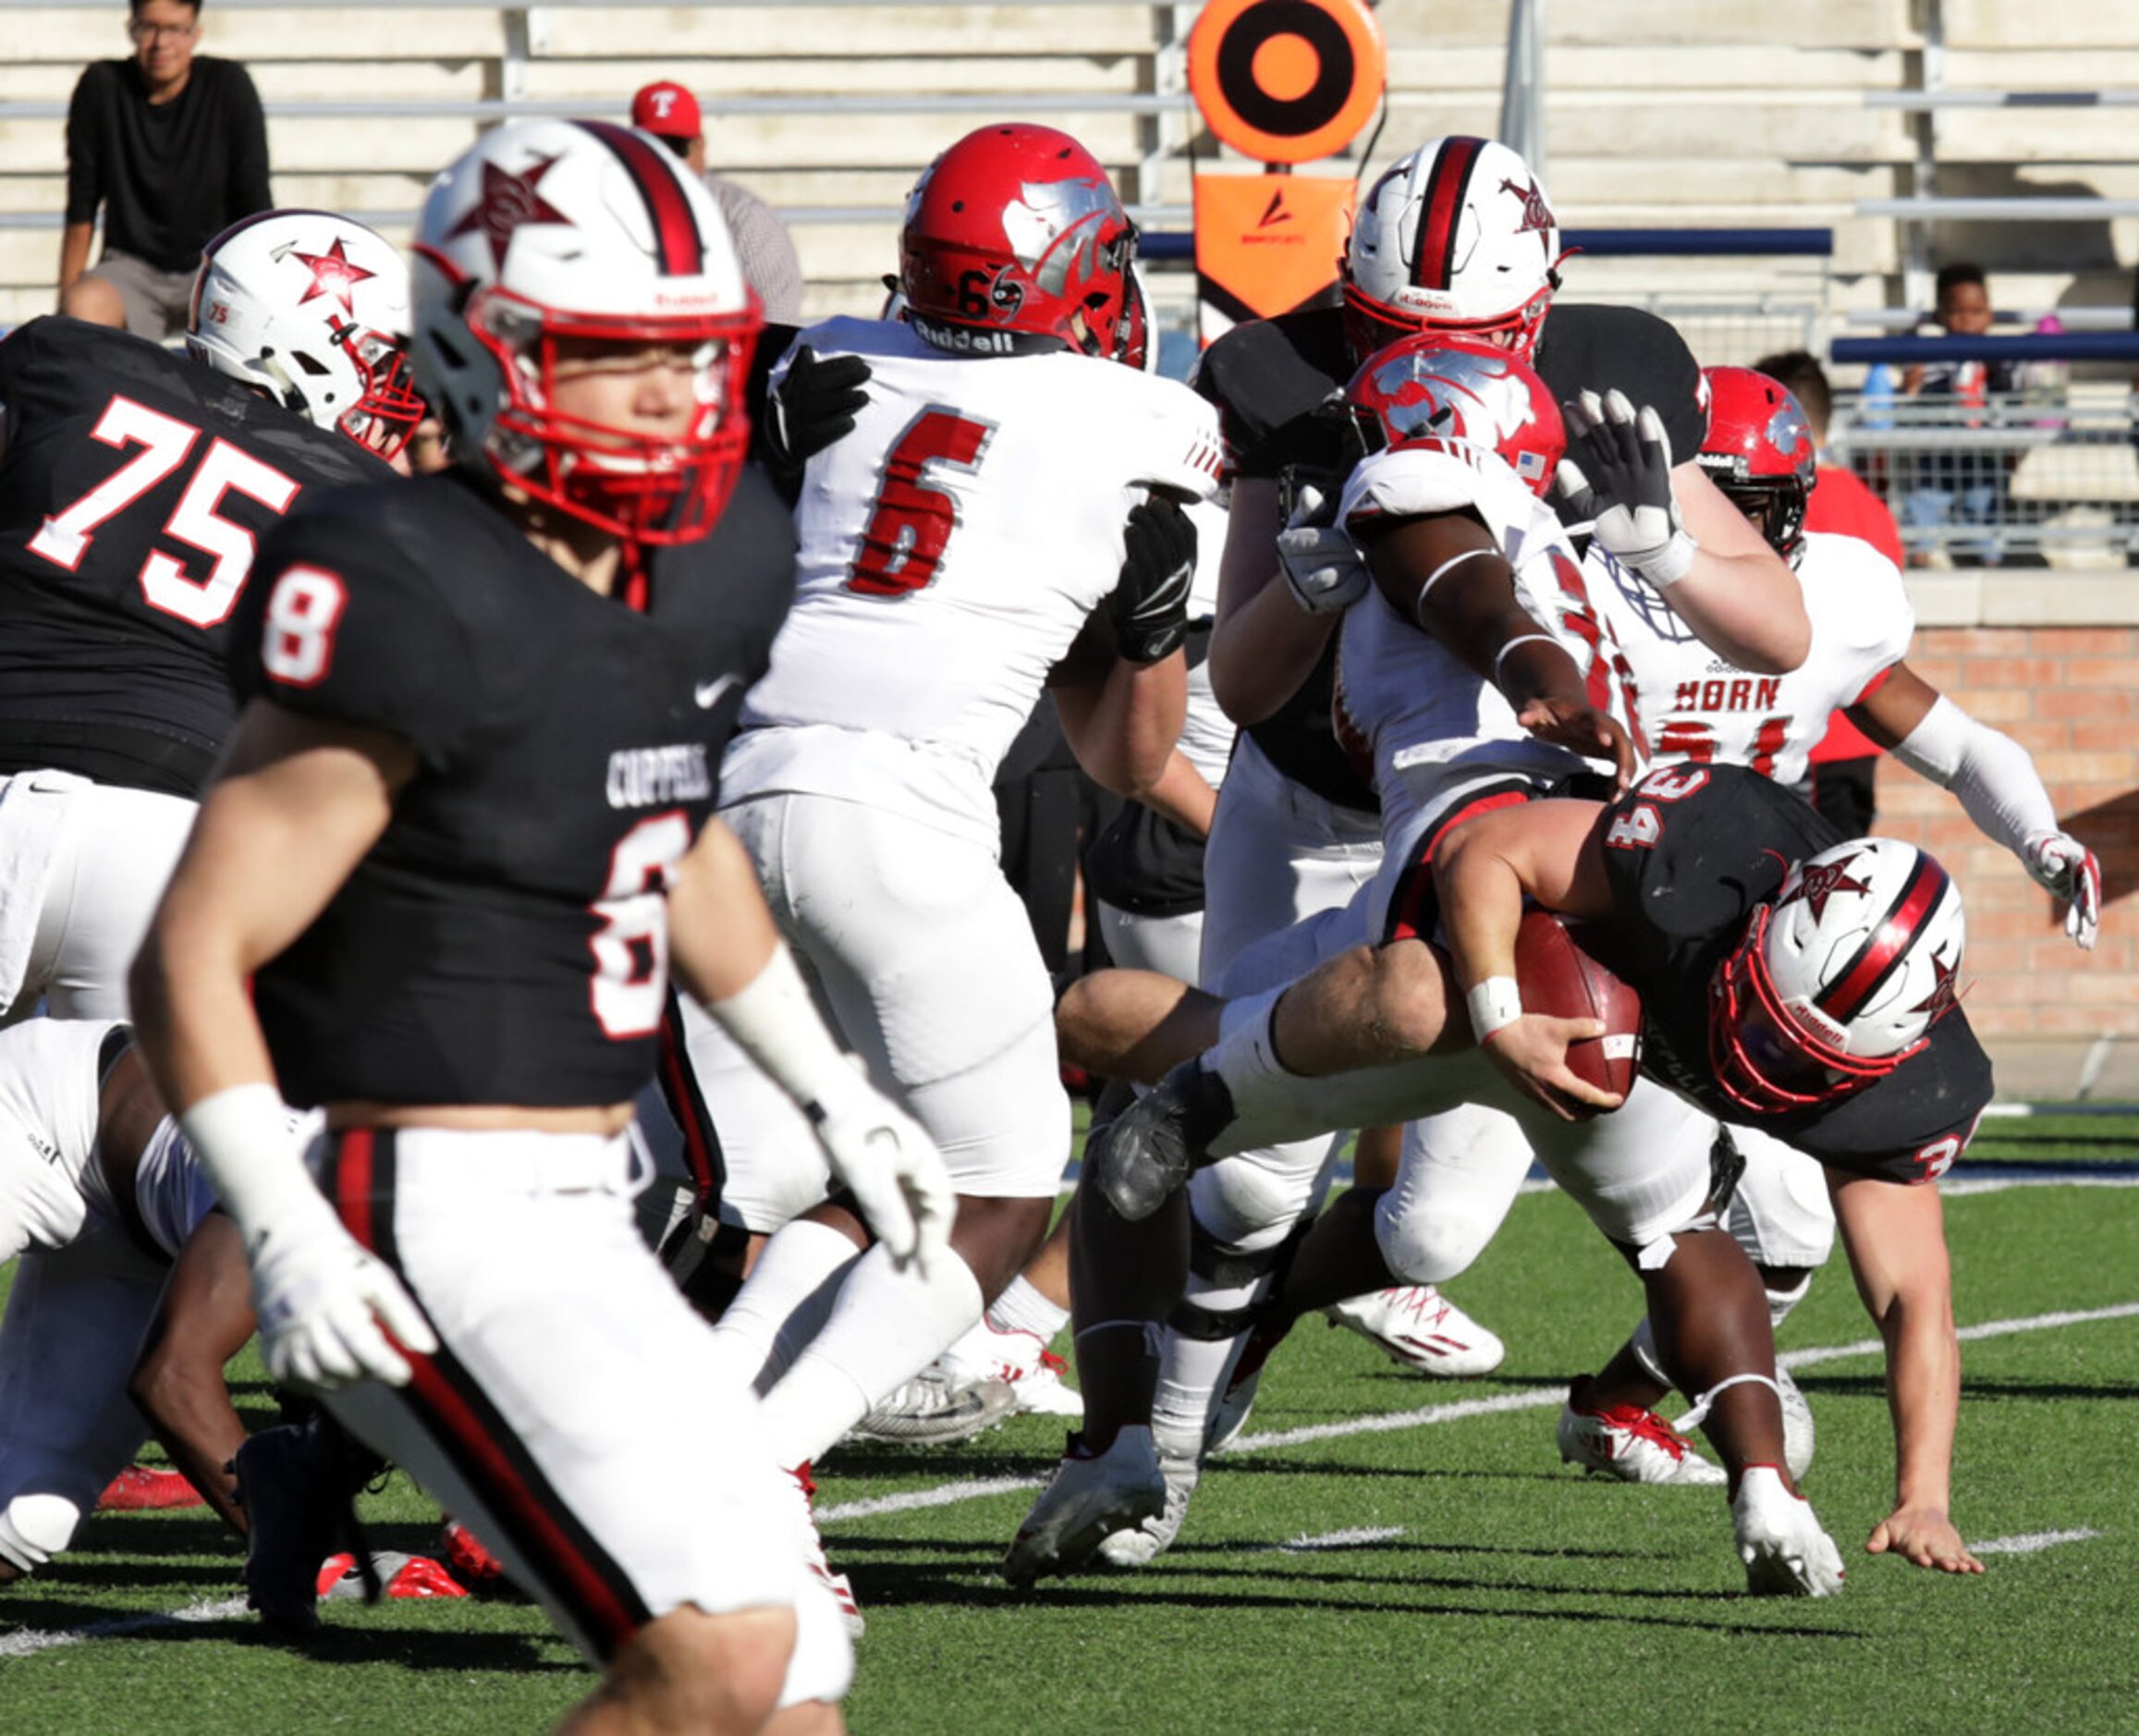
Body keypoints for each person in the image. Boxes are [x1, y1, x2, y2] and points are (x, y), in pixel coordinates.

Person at [129, 117, 958, 1734]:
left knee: (792, 1675)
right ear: (479, 350)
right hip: (425, 1207)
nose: (667, 400)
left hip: (587, 1206)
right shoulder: (408, 577)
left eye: (686, 358)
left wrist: (833, 1092)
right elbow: (194, 944)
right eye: (614, 359)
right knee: (712, 1653)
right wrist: (278, 1223)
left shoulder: (685, 560)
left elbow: (672, 834)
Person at [1034, 134, 1803, 1574]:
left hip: (1508, 835)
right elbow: (1249, 689)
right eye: (1392, 338)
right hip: (1324, 809)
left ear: (1541, 308)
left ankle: (1205, 1353)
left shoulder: (1616, 371)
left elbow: (1777, 630)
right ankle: (1160, 1463)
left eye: (1466, 342)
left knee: (1435, 1225)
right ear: (1350, 303)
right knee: (1255, 1181)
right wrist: (1316, 592)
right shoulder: (1279, 375)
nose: (1428, 374)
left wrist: (1669, 557)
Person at [676, 121, 1220, 1534]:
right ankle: (754, 1468)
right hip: (899, 818)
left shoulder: (814, 361)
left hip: (730, 805)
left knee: (836, 1179)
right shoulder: (1142, 423)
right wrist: (1156, 629)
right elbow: (1125, 750)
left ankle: (673, 1456)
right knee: (994, 1194)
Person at [0, 211, 417, 1028]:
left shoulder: (66, 361)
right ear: (299, 340)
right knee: (116, 1133)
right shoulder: (370, 503)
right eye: (378, 357)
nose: (395, 387)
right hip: (164, 837)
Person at [60, 0, 271, 338]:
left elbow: (256, 200)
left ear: (195, 34)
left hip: (215, 267)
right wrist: (63, 313)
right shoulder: (102, 85)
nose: (161, 43)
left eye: (175, 29)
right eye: (149, 28)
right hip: (130, 270)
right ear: (132, 29)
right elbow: (81, 203)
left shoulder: (229, 85)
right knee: (82, 310)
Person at [631, 80, 806, 324]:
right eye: (652, 146)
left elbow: (776, 326)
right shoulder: (619, 210)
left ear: (700, 147)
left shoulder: (746, 218)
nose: (665, 158)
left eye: (676, 147)